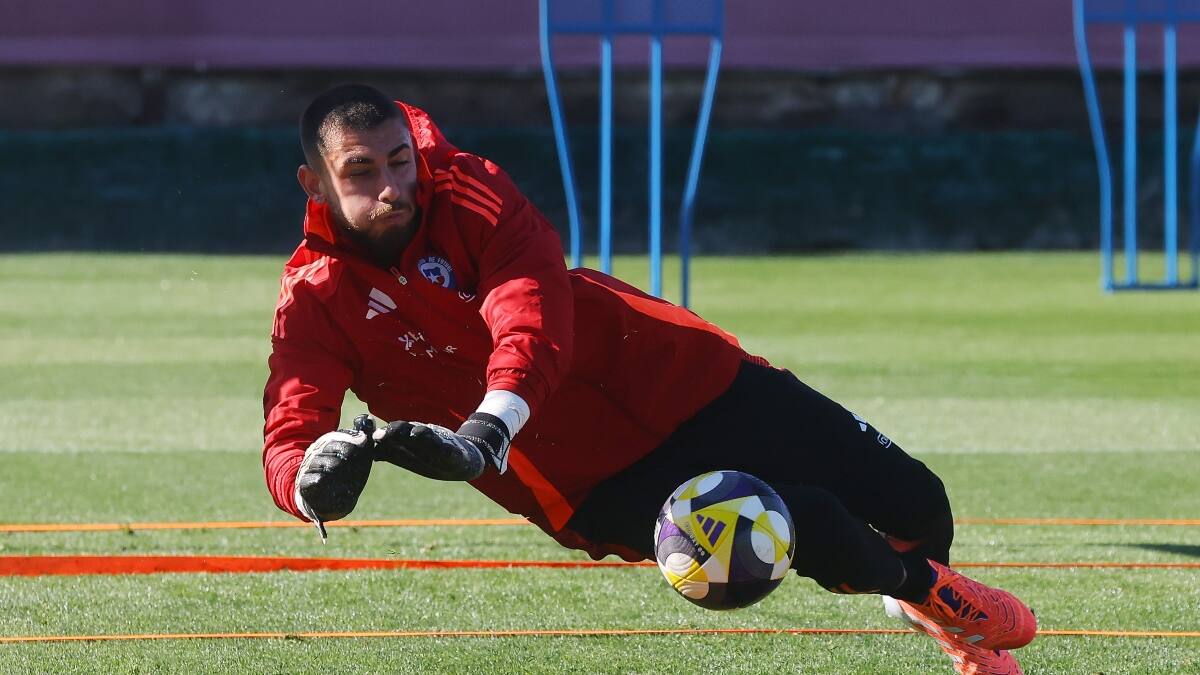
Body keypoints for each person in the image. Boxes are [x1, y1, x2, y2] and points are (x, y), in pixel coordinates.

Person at [262, 83, 1036, 674]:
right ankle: (923, 591)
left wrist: (488, 429)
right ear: (314, 183)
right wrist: (310, 484)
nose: (391, 186)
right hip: (591, 480)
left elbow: (530, 319)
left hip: (678, 373)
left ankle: (919, 595)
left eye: (399, 160)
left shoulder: (472, 188)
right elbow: (290, 430)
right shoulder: (314, 298)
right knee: (800, 518)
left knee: (917, 499)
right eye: (360, 171)